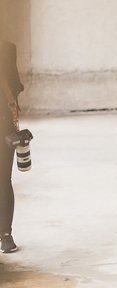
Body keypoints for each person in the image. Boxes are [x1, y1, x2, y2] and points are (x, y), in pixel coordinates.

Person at [1, 38, 23, 253]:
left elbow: (14, 88)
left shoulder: (7, 48)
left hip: (3, 126)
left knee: (2, 180)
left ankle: (5, 233)